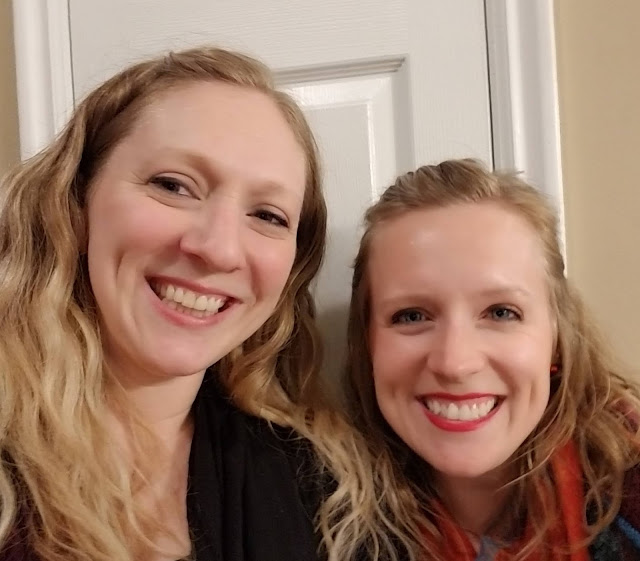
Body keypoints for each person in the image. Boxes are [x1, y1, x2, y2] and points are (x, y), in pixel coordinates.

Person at [0, 46, 407, 561]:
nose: (219, 249)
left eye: (268, 215)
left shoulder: (330, 497)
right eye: (173, 186)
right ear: (75, 205)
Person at [345, 158, 640, 561]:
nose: (455, 363)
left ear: (556, 339)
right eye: (411, 316)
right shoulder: (311, 517)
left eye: (501, 312)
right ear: (368, 345)